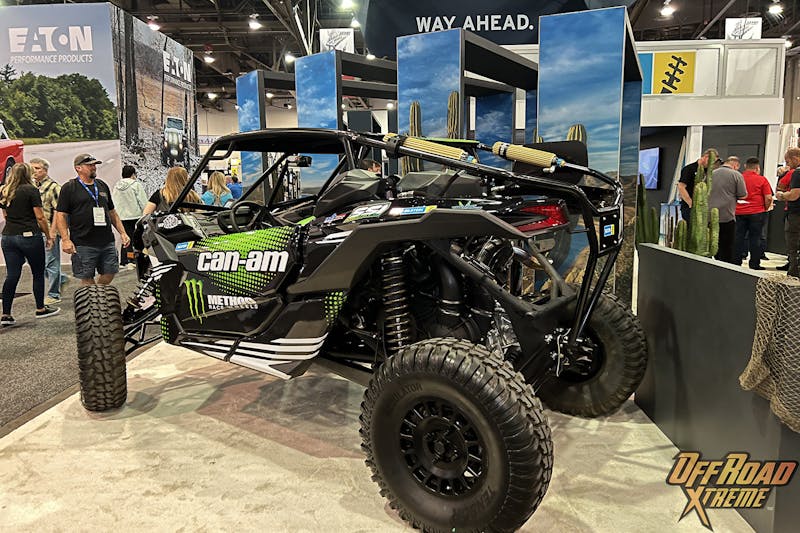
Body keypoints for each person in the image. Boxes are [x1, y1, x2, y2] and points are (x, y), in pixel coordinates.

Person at [54, 154, 130, 286]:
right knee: (86, 276)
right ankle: (93, 297)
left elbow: (112, 212)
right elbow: (61, 215)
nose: (94, 167)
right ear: (78, 168)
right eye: (90, 165)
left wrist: (123, 233)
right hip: (83, 242)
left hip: (106, 241)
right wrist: (65, 240)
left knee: (110, 272)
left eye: (94, 165)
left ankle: (97, 294)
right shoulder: (69, 187)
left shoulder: (102, 185)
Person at [1, 163, 60, 325]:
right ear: (28, 174)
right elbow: (40, 217)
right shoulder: (31, 190)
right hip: (29, 236)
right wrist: (48, 235)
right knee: (37, 273)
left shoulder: (5, 190)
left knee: (12, 275)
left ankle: (6, 314)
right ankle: (40, 308)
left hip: (8, 236)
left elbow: (5, 215)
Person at [30, 157, 69, 304]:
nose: (34, 171)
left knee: (51, 262)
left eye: (37, 168)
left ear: (45, 170)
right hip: (34, 231)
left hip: (49, 231)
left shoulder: (54, 187)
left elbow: (60, 212)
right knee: (35, 262)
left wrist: (52, 233)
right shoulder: (31, 187)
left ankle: (54, 294)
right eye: (32, 168)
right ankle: (62, 279)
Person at [734, 158, 773, 270]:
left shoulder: (738, 178)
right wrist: (765, 208)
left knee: (738, 237)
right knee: (756, 238)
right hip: (757, 213)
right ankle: (754, 264)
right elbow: (768, 197)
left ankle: (736, 262)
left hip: (739, 212)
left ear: (745, 166)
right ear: (757, 168)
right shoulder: (762, 180)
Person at [709, 156, 747, 264]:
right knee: (726, 246)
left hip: (709, 215)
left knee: (712, 244)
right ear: (735, 165)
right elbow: (743, 194)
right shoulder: (736, 175)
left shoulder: (711, 174)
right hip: (727, 215)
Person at [112, 165, 148, 270]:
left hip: (121, 217)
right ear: (133, 174)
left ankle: (125, 261)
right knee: (136, 239)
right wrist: (146, 213)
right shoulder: (136, 185)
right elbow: (143, 201)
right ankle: (135, 260)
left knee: (125, 238)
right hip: (135, 216)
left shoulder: (116, 186)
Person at [776, 147, 800, 277]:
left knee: (794, 246)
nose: (788, 165)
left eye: (788, 161)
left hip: (796, 214)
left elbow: (794, 195)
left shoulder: (797, 173)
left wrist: (782, 195)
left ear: (795, 158)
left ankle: (793, 276)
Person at [678, 148, 717, 224]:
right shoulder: (689, 169)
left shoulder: (709, 172)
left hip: (704, 207)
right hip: (690, 207)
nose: (712, 164)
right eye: (711, 161)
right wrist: (690, 203)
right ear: (705, 157)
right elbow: (681, 186)